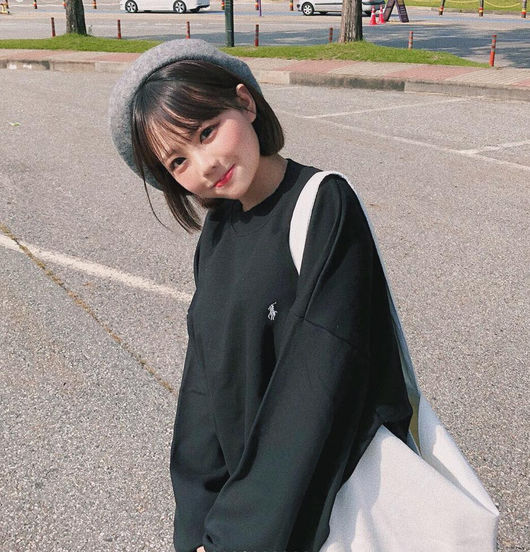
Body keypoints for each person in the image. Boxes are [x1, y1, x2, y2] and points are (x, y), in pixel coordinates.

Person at [108, 39, 412, 552]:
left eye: (207, 132)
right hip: (253, 507)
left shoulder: (323, 204)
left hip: (319, 499)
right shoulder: (217, 234)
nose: (205, 165)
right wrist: (197, 521)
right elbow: (204, 382)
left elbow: (317, 385)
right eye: (178, 161)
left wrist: (238, 533)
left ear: (245, 102)